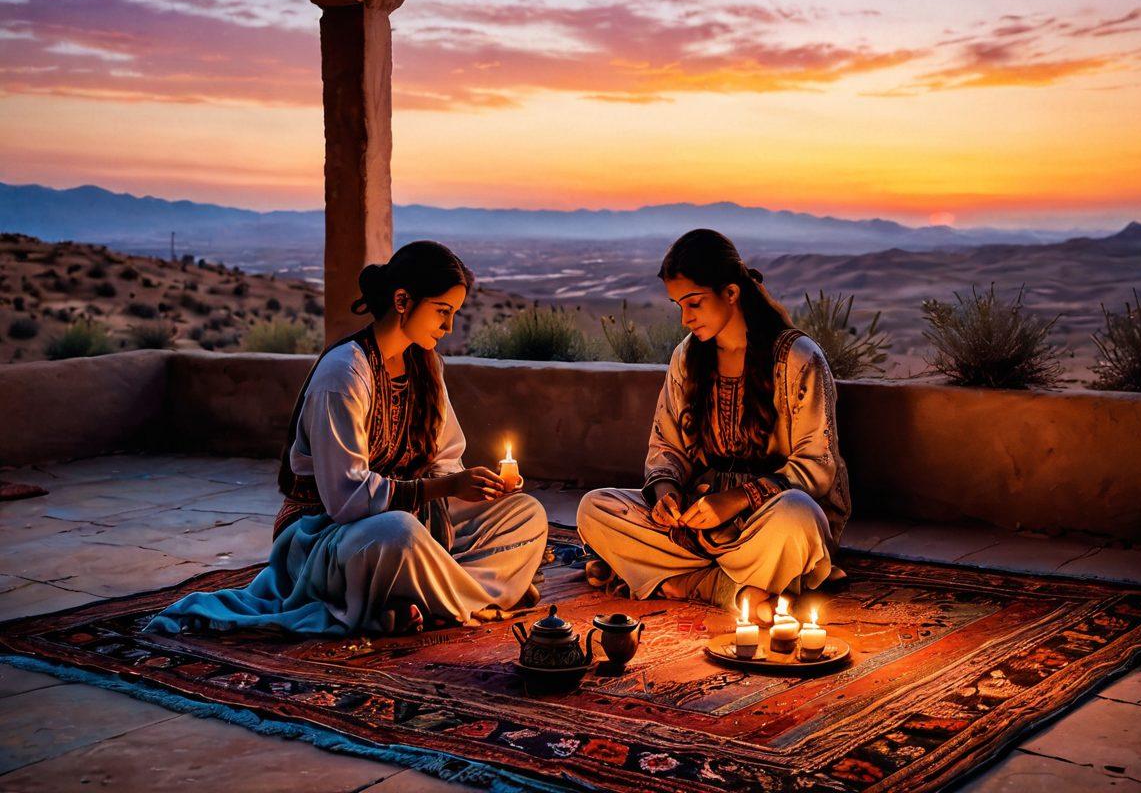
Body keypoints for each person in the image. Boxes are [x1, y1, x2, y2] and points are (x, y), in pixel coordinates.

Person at [147, 241, 547, 637]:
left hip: (414, 519)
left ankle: (427, 599)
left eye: (454, 314)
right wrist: (444, 488)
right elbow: (347, 499)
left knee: (525, 514)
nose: (449, 327)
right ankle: (477, 596)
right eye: (443, 311)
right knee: (398, 535)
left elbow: (445, 459)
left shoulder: (427, 367)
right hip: (326, 537)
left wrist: (475, 489)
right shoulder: (344, 373)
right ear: (403, 301)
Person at [577, 229, 850, 620]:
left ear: (731, 293)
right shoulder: (686, 358)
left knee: (798, 516)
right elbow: (666, 447)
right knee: (595, 508)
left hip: (766, 520)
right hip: (695, 525)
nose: (685, 318)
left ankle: (676, 580)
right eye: (678, 306)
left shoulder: (797, 358)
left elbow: (817, 464)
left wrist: (736, 500)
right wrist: (668, 494)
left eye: (694, 303)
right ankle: (725, 588)